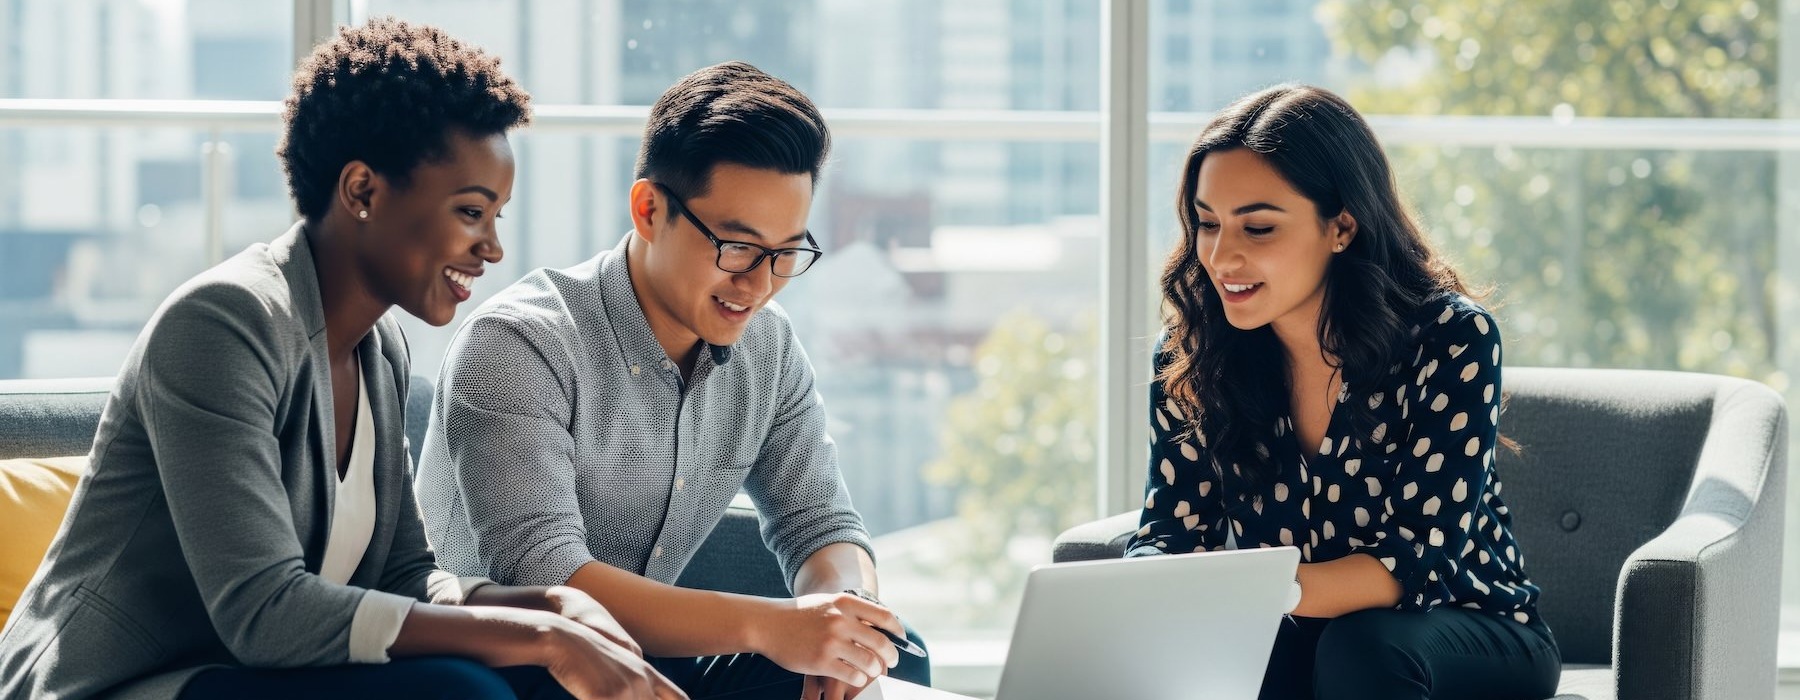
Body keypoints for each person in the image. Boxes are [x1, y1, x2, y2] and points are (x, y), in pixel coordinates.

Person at [0, 18, 683, 700]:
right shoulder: (221, 324)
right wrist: (538, 637)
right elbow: (263, 612)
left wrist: (548, 607)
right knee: (464, 690)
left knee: (516, 674)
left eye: (498, 215)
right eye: (471, 212)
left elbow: (404, 576)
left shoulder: (379, 350)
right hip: (116, 685)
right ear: (362, 192)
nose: (493, 248)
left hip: (244, 675)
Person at [415, 61, 930, 700]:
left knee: (891, 657)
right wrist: (771, 626)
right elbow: (552, 582)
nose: (759, 284)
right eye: (737, 247)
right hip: (511, 663)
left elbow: (820, 522)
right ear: (650, 209)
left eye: (786, 254)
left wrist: (843, 616)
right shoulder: (520, 343)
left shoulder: (767, 347)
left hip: (657, 661)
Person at [1126, 84, 1562, 700]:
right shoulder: (1192, 353)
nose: (1222, 257)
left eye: (1257, 228)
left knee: (1359, 646)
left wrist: (1251, 597)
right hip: (1296, 626)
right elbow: (1173, 528)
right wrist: (1140, 589)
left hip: (1467, 627)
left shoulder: (1452, 338)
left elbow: (1419, 558)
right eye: (1207, 223)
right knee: (1244, 658)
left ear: (1342, 226)